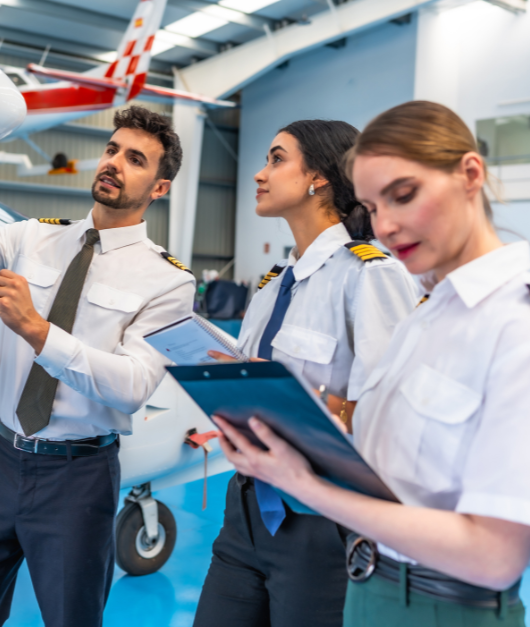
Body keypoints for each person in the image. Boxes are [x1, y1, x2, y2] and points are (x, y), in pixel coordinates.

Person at [212, 101, 530, 627]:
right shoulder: (429, 317)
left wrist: (308, 487)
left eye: (403, 195)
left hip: (444, 607)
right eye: (373, 206)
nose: (387, 225)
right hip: (370, 587)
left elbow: (495, 557)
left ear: (470, 174)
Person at [0, 105, 196, 627]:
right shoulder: (31, 238)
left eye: (135, 159)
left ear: (160, 187)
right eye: (112, 150)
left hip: (76, 476)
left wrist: (37, 330)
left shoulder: (168, 281)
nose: (114, 163)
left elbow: (132, 385)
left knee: (71, 617)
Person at [194, 120, 419, 627]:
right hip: (245, 505)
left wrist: (290, 394)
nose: (259, 174)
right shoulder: (275, 285)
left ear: (318, 177)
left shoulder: (370, 275)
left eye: (276, 159)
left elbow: (392, 411)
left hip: (319, 520)